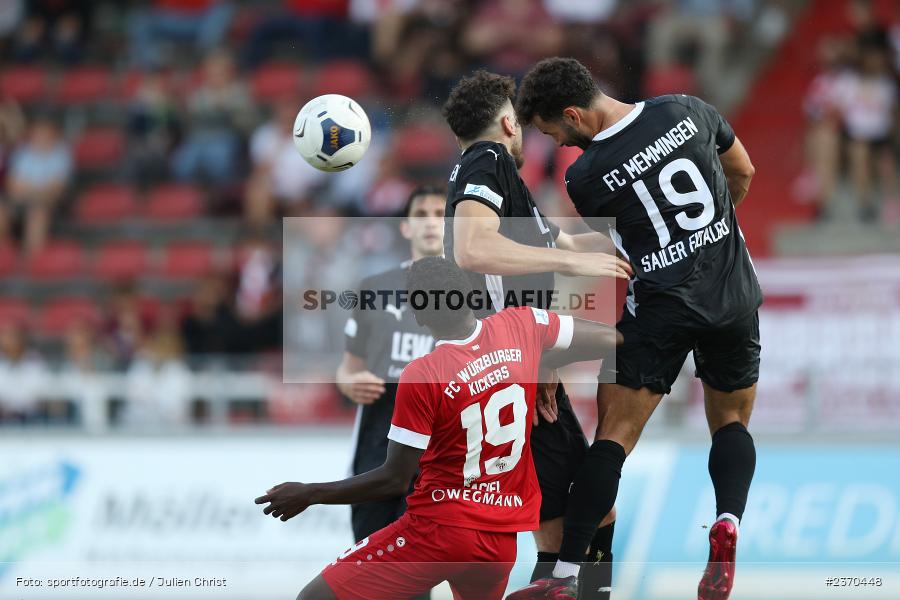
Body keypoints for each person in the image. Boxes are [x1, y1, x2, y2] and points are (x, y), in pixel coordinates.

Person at [509, 57, 761, 600]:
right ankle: (727, 521)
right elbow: (742, 172)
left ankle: (566, 575)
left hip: (660, 311)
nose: (562, 145)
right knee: (731, 421)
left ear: (573, 114)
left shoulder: (584, 179)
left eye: (555, 133)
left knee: (612, 441)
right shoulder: (688, 109)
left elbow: (620, 250)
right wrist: (710, 237)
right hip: (733, 295)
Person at [255, 256, 621, 600]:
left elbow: (393, 480)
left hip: (439, 531)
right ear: (470, 294)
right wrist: (538, 361)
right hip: (498, 543)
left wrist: (310, 493)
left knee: (313, 597)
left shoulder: (423, 374)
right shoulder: (521, 324)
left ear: (417, 316)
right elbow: (611, 339)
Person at [440, 70, 629, 599]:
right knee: (584, 513)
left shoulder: (502, 180)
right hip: (511, 368)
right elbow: (472, 249)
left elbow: (563, 242)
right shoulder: (488, 160)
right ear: (508, 122)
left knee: (568, 515)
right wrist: (566, 267)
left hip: (520, 365)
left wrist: (628, 237)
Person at [335, 185, 444, 580]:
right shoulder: (374, 288)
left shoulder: (476, 292)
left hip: (438, 461)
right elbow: (346, 370)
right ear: (405, 227)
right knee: (370, 575)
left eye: (440, 214)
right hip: (375, 454)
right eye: (421, 215)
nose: (431, 223)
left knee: (413, 578)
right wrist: (351, 383)